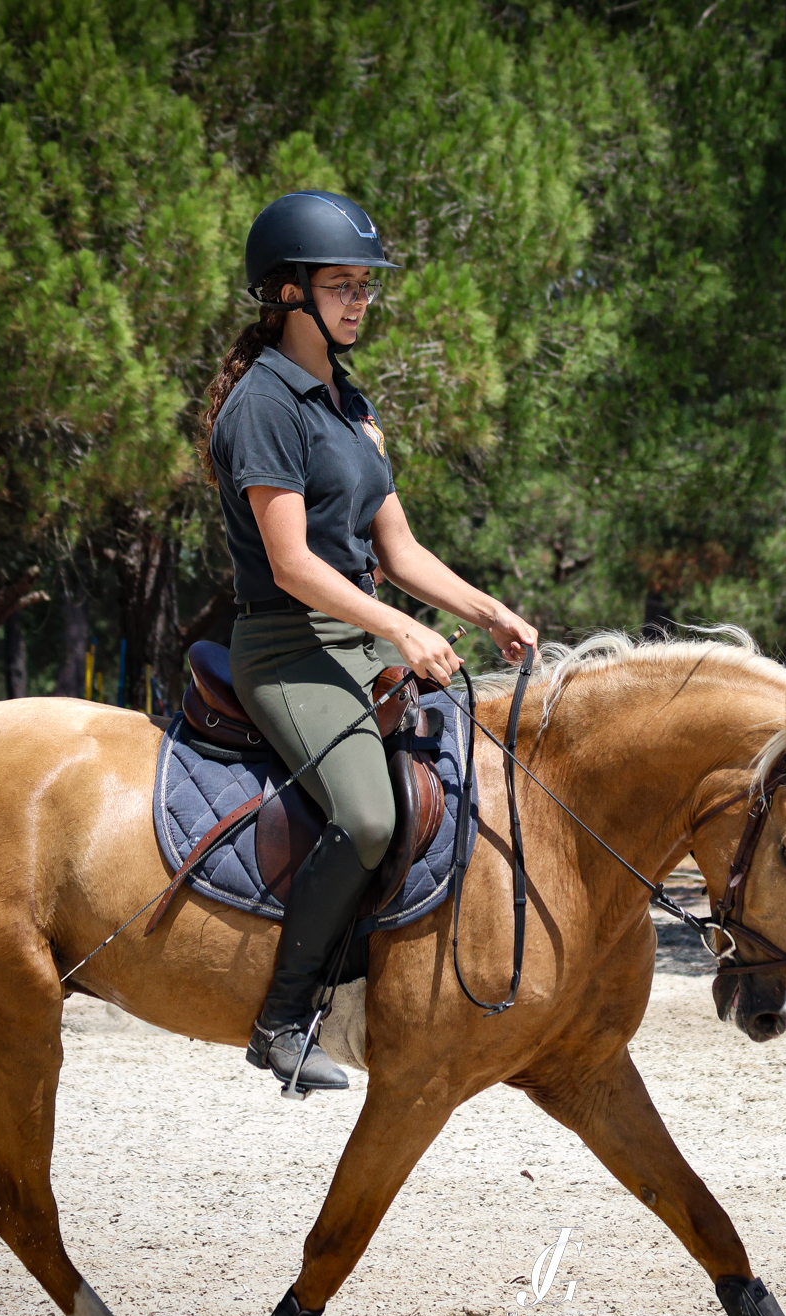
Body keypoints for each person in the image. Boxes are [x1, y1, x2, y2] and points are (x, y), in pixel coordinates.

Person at [203, 190, 538, 1093]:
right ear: (287, 295)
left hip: (358, 637)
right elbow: (291, 565)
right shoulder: (263, 405)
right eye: (343, 285)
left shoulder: (351, 402)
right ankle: (281, 1019)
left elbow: (397, 547)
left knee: (474, 771)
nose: (360, 301)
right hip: (287, 644)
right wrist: (399, 626)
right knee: (369, 815)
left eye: (365, 287)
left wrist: (484, 609)